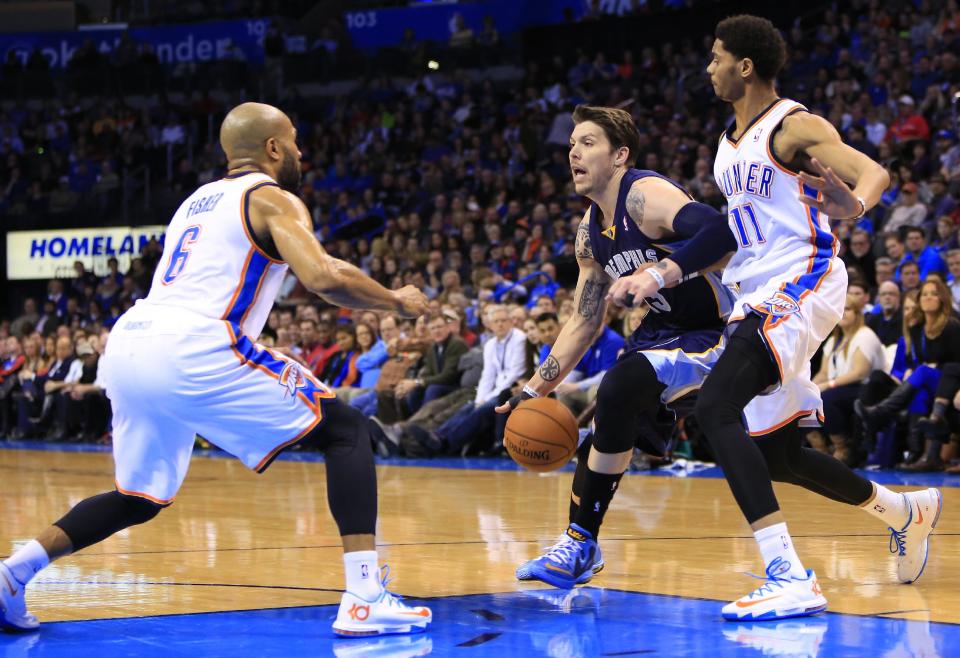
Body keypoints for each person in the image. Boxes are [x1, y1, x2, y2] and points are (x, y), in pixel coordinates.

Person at [0, 102, 432, 637]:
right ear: (273, 148)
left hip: (131, 341)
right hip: (194, 344)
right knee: (346, 430)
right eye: (294, 140)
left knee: (137, 496)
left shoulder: (193, 203)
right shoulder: (271, 196)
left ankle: (12, 574)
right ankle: (364, 596)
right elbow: (323, 276)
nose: (301, 151)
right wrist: (396, 300)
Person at [608, 15, 939, 621]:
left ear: (745, 66)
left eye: (715, 58)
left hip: (803, 277)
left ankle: (788, 575)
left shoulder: (792, 124)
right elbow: (733, 234)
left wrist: (856, 203)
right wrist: (660, 273)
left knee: (714, 409)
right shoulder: (726, 144)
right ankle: (904, 511)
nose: (707, 69)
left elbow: (873, 171)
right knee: (781, 456)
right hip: (755, 290)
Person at [497, 104, 740, 589]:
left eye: (587, 143)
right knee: (608, 420)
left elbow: (719, 231)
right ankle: (578, 544)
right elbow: (584, 321)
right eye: (571, 145)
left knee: (620, 387)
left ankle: (579, 542)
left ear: (620, 155)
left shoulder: (644, 195)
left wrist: (660, 272)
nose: (574, 153)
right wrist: (533, 392)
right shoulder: (590, 232)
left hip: (717, 328)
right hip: (662, 335)